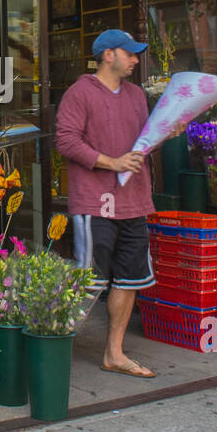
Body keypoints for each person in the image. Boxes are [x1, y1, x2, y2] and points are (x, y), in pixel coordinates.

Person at [54, 29, 157, 379]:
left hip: (135, 202)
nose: (135, 59)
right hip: (95, 202)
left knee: (128, 280)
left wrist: (165, 131)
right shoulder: (79, 93)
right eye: (129, 53)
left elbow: (144, 144)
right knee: (89, 278)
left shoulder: (137, 95)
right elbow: (65, 141)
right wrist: (112, 162)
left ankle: (114, 353)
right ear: (108, 54)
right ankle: (50, 344)